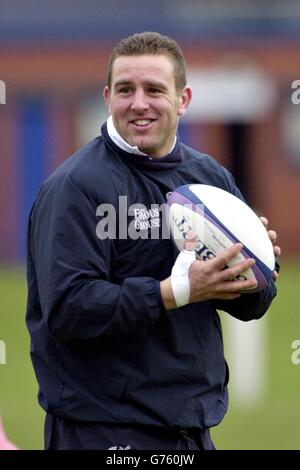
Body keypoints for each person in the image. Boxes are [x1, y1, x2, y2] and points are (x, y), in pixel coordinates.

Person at [26, 32, 280, 450]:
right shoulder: (75, 187)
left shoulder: (209, 178)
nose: (139, 103)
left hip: (191, 429)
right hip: (101, 429)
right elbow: (68, 308)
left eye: (155, 90)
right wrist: (175, 291)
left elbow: (254, 303)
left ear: (183, 99)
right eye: (126, 90)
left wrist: (253, 269)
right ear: (108, 97)